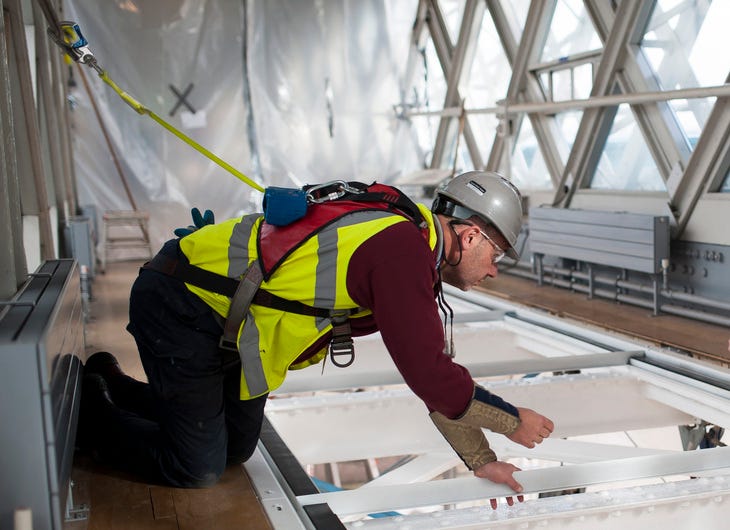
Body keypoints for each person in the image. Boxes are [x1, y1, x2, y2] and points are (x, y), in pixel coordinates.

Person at [79, 170, 554, 498]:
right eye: (498, 255)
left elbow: (435, 383)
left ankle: (112, 382)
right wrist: (514, 420)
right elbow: (430, 375)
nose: (494, 271)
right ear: (470, 235)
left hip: (237, 328)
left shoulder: (411, 244)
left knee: (236, 449)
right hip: (186, 304)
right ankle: (91, 412)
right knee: (197, 467)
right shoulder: (401, 250)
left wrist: (480, 460)